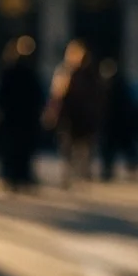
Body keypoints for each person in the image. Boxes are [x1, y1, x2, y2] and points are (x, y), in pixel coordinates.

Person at [47, 40, 104, 187]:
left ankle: (82, 173)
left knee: (84, 147)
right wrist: (53, 112)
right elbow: (57, 96)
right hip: (70, 117)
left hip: (83, 117)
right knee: (68, 148)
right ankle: (70, 175)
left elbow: (97, 96)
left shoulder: (89, 73)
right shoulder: (65, 72)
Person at [0, 38, 46, 190]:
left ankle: (16, 176)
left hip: (17, 118)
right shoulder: (24, 72)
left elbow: (1, 95)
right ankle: (18, 176)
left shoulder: (13, 71)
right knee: (19, 148)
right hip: (21, 118)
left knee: (16, 149)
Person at [99, 59, 138, 181]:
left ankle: (110, 170)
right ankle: (109, 170)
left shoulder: (114, 86)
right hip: (115, 123)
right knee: (114, 147)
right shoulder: (117, 86)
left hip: (117, 123)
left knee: (119, 147)